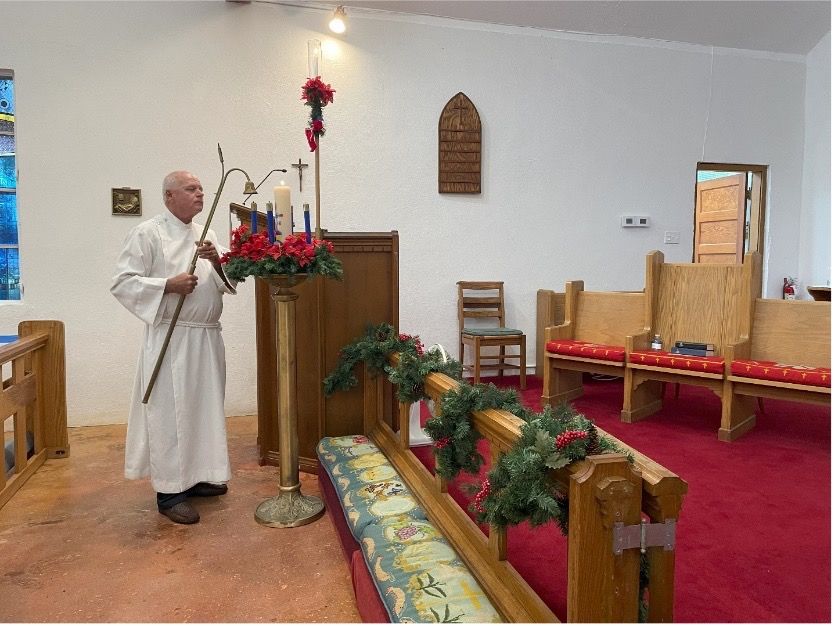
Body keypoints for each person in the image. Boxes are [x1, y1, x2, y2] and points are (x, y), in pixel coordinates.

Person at [111, 170, 236, 524]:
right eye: (190, 189)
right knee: (172, 412)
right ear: (169, 196)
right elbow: (122, 282)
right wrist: (167, 285)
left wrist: (216, 259)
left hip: (206, 337)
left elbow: (229, 280)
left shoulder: (206, 233)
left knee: (202, 409)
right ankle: (169, 492)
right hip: (173, 337)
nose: (200, 194)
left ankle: (195, 477)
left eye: (201, 188)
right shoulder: (147, 233)